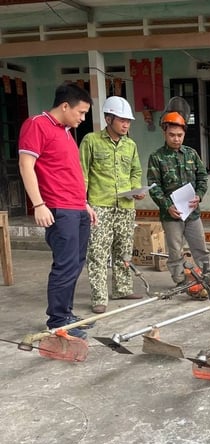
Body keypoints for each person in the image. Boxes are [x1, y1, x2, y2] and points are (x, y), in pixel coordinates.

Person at [18, 82, 95, 338]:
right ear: (65, 105)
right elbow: (26, 165)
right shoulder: (37, 124)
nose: (83, 118)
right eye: (81, 112)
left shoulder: (63, 131)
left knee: (75, 264)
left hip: (76, 208)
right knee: (65, 265)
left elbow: (68, 173)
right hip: (58, 209)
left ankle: (67, 314)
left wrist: (84, 204)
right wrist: (39, 204)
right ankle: (58, 320)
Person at [80, 96, 144, 314]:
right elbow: (83, 173)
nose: (126, 124)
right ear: (108, 119)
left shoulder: (131, 145)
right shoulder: (91, 140)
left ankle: (122, 288)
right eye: (122, 120)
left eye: (128, 121)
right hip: (100, 204)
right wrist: (82, 201)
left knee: (124, 249)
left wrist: (136, 188)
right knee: (98, 252)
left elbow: (136, 171)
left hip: (126, 205)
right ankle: (99, 297)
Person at [147, 111, 210, 288]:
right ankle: (180, 280)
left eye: (180, 135)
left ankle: (209, 276)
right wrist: (167, 206)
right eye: (172, 135)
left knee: (200, 247)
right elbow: (154, 186)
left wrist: (199, 195)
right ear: (164, 133)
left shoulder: (191, 154)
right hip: (171, 214)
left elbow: (202, 177)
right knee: (175, 250)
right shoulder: (157, 157)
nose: (176, 139)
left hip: (192, 212)